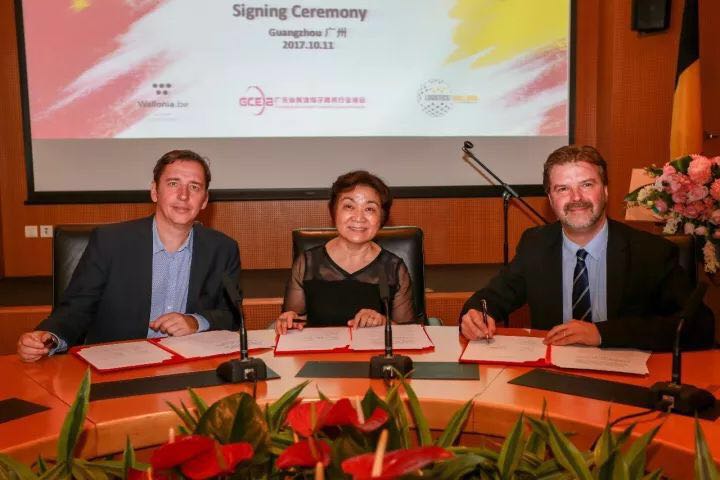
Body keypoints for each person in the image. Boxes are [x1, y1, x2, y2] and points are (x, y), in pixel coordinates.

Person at [460, 145, 715, 351]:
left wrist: (602, 333)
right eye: (563, 189)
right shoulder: (535, 245)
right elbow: (492, 297)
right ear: (550, 199)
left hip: (627, 383)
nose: (576, 198)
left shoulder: (649, 251)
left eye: (586, 185)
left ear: (605, 191)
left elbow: (699, 326)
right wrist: (474, 313)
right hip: (553, 381)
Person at [17, 150, 240, 362]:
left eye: (194, 187)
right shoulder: (110, 242)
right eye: (173, 184)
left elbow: (231, 315)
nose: (183, 195)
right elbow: (77, 308)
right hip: (120, 365)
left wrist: (195, 322)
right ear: (154, 191)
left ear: (204, 200)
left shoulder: (223, 249)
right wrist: (48, 337)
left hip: (190, 363)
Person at [276, 170, 416, 334]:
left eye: (369, 209)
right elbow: (295, 320)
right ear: (334, 211)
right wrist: (288, 322)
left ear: (382, 218)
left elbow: (409, 333)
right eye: (349, 206)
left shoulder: (394, 268)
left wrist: (384, 322)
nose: (359, 217)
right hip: (320, 357)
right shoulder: (308, 263)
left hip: (372, 356)